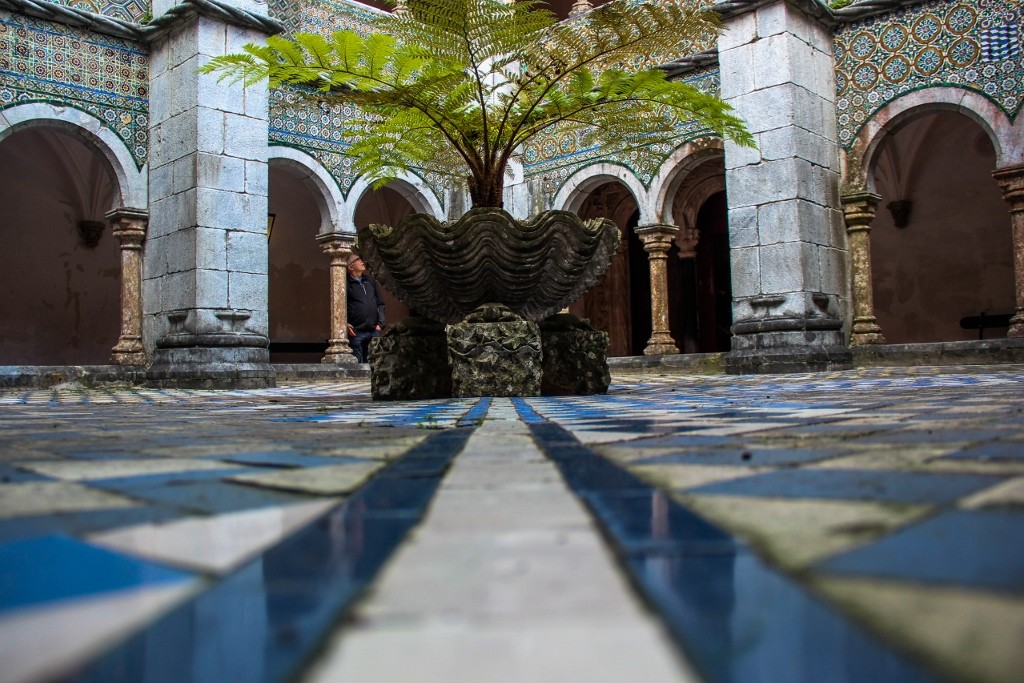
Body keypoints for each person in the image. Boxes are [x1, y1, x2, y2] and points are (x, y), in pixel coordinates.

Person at [345, 253, 386, 363]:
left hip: (374, 330)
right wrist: (345, 323)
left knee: (374, 363)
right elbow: (340, 305)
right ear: (350, 267)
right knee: (357, 364)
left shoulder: (370, 281)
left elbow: (380, 303)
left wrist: (380, 324)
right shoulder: (345, 283)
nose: (361, 261)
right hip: (356, 331)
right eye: (357, 259)